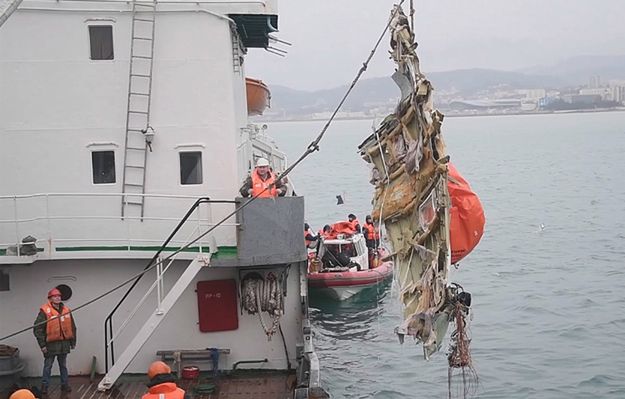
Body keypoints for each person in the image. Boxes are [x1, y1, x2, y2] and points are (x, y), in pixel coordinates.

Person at [33, 288, 76, 394]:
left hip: (63, 345)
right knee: (48, 366)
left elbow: (72, 327)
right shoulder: (44, 311)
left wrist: (72, 342)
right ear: (50, 298)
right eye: (55, 296)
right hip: (50, 345)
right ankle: (44, 386)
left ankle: (65, 385)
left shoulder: (66, 310)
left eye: (59, 296)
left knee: (63, 366)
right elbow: (37, 329)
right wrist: (42, 345)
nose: (57, 298)